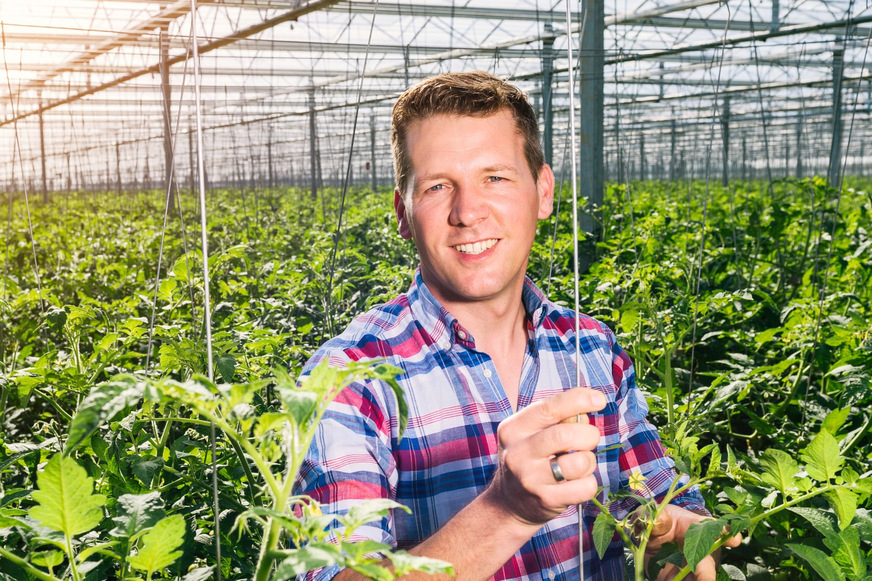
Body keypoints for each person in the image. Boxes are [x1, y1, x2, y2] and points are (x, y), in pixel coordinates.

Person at [294, 71, 737, 580]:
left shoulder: (593, 349)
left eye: (495, 178)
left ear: (543, 192)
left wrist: (680, 540)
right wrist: (505, 510)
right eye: (438, 186)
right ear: (403, 212)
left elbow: (666, 504)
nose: (468, 211)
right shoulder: (349, 378)